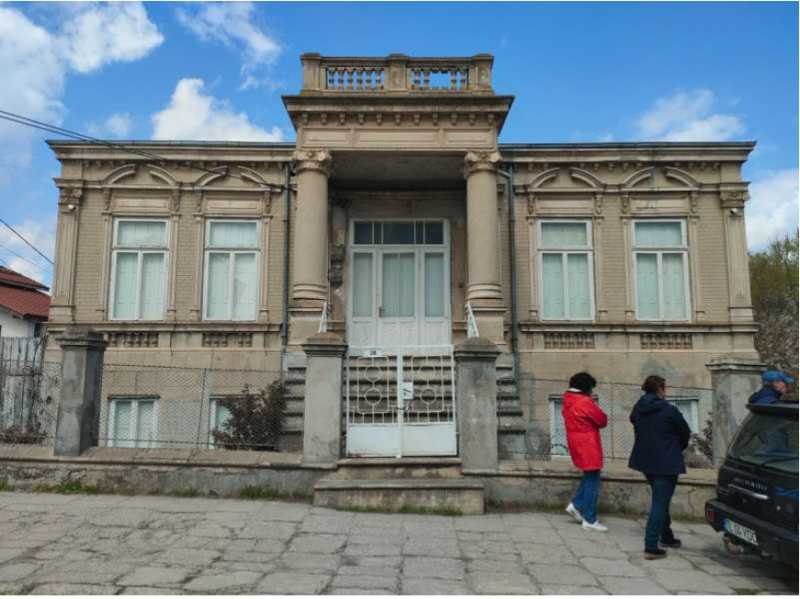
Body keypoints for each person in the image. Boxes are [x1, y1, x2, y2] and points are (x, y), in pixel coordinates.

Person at [629, 375, 691, 560]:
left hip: (645, 459)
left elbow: (633, 421)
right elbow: (685, 432)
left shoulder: (638, 407)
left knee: (661, 500)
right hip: (666, 461)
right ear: (661, 389)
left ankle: (667, 536)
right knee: (659, 503)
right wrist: (675, 447)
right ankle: (651, 546)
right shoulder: (669, 410)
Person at [562, 371, 609, 532]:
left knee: (590, 476)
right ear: (586, 388)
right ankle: (589, 519)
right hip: (588, 444)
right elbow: (602, 420)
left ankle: (576, 504)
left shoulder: (568, 400)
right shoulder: (584, 402)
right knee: (593, 480)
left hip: (576, 442)